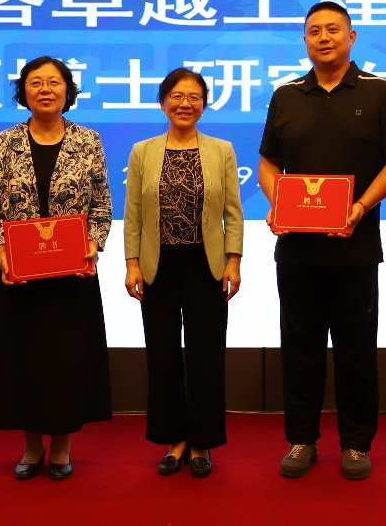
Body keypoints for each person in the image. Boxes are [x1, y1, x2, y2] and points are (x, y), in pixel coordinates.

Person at [258, 1, 386, 480]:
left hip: (355, 245)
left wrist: (360, 206)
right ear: (304, 40)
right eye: (314, 31)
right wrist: (278, 204)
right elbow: (268, 163)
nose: (323, 38)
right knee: (298, 347)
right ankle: (301, 439)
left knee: (356, 349)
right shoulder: (286, 95)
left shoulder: (379, 91)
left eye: (332, 29)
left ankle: (356, 444)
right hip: (297, 249)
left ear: (352, 36)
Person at [0, 56, 113, 481]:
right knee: (23, 361)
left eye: (54, 82)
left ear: (68, 91)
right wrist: (1, 254)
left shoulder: (88, 141)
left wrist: (92, 247)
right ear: (24, 91)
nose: (45, 89)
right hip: (17, 277)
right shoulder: (4, 142)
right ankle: (32, 448)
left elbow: (102, 206)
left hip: (72, 277)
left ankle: (63, 447)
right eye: (36, 83)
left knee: (65, 363)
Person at [123, 68, 245, 478]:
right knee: (163, 356)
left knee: (206, 356)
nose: (185, 104)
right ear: (163, 103)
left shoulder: (221, 150)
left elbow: (233, 212)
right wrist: (132, 263)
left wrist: (234, 260)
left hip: (206, 266)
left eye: (194, 97)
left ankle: (202, 441)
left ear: (204, 105)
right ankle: (174, 438)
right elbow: (133, 214)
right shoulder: (142, 151)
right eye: (176, 96)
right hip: (157, 267)